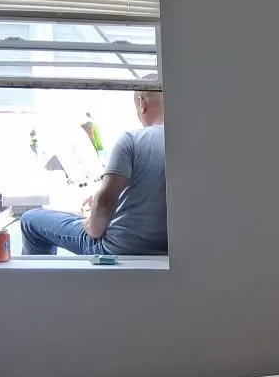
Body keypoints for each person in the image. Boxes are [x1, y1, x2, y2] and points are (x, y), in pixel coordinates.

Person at [19, 90, 168, 257]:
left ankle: (38, 275)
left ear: (142, 103)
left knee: (30, 220)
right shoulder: (188, 143)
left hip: (118, 249)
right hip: (170, 251)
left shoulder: (132, 140)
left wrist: (90, 223)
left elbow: (104, 204)